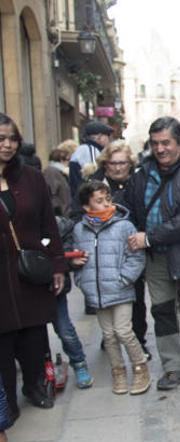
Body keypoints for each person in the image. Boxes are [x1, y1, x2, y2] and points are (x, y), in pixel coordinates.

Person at [123, 116, 180, 391]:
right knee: (162, 311)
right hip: (156, 258)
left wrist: (148, 237)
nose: (161, 149)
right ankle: (173, 367)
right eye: (155, 143)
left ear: (179, 143)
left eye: (166, 142)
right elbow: (131, 209)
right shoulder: (141, 174)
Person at [0, 113, 65, 414]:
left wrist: (58, 265)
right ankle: (7, 403)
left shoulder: (30, 177)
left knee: (34, 334)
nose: (8, 145)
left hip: (28, 271)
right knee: (3, 339)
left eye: (13, 139)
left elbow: (48, 226)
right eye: (1, 139)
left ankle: (35, 385)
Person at [72, 182, 150, 395]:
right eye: (99, 201)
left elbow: (136, 256)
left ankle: (140, 366)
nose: (106, 204)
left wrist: (124, 278)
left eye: (108, 199)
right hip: (96, 291)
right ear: (86, 207)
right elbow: (77, 257)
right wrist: (80, 278)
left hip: (120, 288)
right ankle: (118, 371)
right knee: (108, 335)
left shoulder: (123, 226)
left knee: (123, 330)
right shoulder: (80, 229)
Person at [91, 140, 151, 359]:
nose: (117, 167)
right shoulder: (94, 183)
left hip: (130, 248)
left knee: (135, 296)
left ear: (130, 163)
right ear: (105, 164)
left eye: (122, 163)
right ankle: (110, 336)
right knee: (105, 294)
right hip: (102, 250)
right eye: (113, 163)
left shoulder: (139, 182)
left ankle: (139, 340)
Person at [52, 212, 93, 389]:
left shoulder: (57, 222)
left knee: (64, 328)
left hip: (52, 283)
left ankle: (79, 363)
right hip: (22, 284)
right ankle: (40, 373)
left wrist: (67, 260)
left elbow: (67, 233)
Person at [69, 120, 113, 200]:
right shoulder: (90, 150)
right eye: (107, 136)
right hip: (87, 200)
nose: (108, 140)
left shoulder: (83, 149)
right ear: (99, 137)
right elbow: (94, 180)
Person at [43, 148, 73, 217]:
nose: (69, 163)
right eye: (68, 160)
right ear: (61, 160)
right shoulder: (51, 172)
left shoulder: (61, 172)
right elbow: (52, 193)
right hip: (60, 215)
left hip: (65, 213)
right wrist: (58, 211)